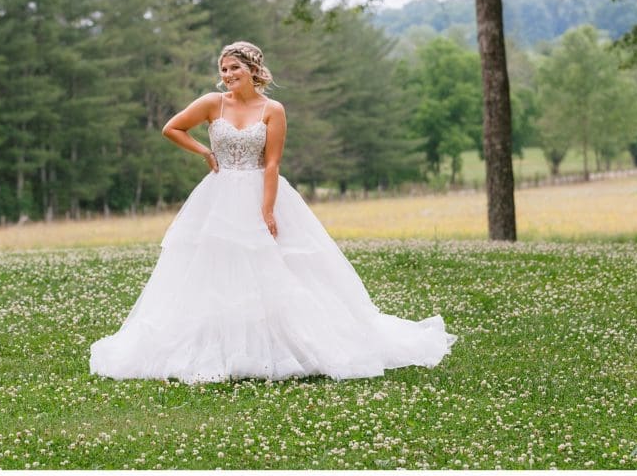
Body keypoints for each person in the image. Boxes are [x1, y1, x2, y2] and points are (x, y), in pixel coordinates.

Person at [89, 41, 456, 383]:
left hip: (259, 189)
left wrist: (266, 210)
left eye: (235, 68)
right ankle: (220, 344)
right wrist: (205, 152)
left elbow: (272, 163)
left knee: (276, 266)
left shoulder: (272, 110)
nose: (228, 75)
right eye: (224, 69)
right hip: (218, 195)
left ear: (252, 69)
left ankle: (281, 344)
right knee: (212, 268)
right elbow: (172, 128)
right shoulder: (212, 103)